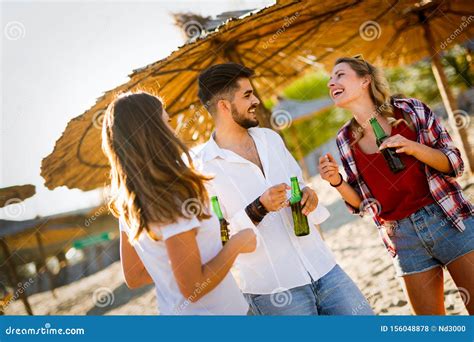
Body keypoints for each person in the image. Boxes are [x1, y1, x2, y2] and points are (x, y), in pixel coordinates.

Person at [195, 62, 374, 315]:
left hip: (323, 267)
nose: (256, 100)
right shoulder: (202, 168)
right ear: (224, 106)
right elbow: (218, 238)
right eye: (247, 95)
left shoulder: (271, 139)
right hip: (275, 291)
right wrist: (259, 208)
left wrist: (308, 195)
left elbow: (298, 185)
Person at [320, 56, 474, 315]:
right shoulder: (345, 138)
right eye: (331, 77)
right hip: (402, 238)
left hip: (448, 218)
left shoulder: (410, 110)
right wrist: (336, 181)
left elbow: (455, 164)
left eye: (339, 75)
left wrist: (414, 147)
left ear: (365, 81)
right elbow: (363, 204)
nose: (330, 82)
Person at [101, 91, 256, 315]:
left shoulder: (131, 202)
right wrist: (237, 244)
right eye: (167, 122)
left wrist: (179, 266)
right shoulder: (172, 195)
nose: (173, 131)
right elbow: (193, 287)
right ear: (153, 132)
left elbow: (134, 276)